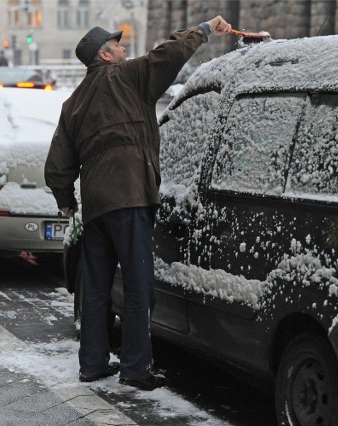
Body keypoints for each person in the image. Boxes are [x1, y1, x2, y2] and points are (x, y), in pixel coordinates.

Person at [44, 15, 232, 391]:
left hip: (96, 206)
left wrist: (66, 200)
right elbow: (169, 54)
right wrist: (205, 29)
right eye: (117, 45)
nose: (124, 48)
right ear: (105, 56)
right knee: (137, 286)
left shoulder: (73, 103)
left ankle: (93, 364)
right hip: (130, 196)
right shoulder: (127, 77)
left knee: (95, 289)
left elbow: (57, 164)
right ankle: (135, 369)